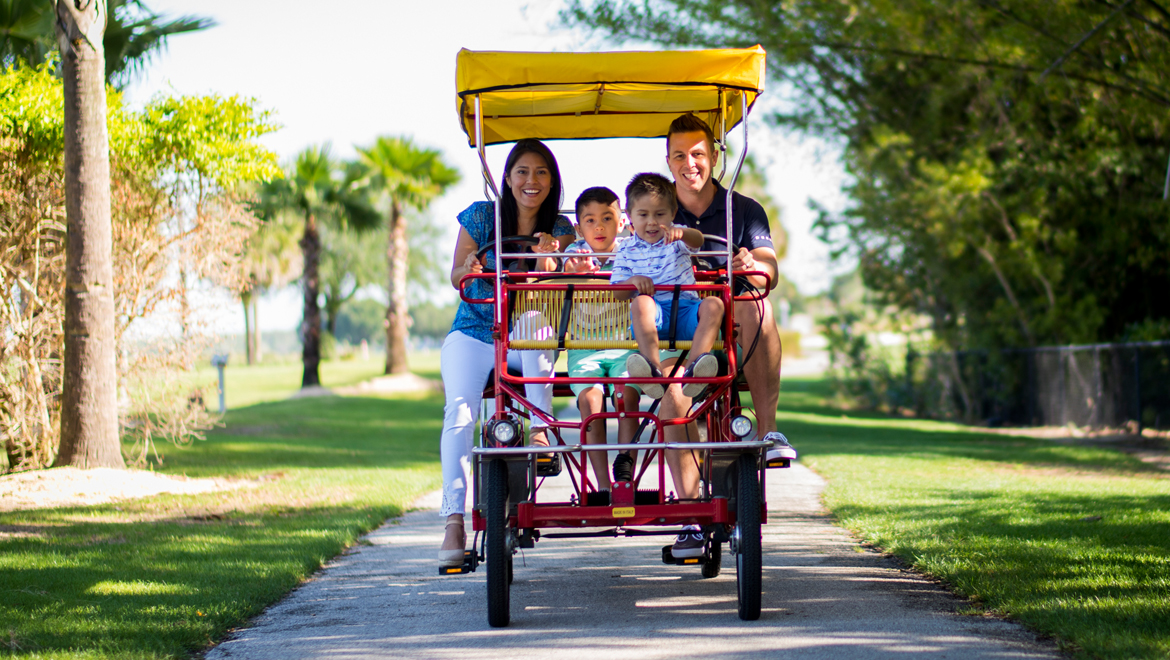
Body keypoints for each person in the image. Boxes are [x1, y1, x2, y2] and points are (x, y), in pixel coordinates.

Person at [438, 139, 575, 566]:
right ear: (508, 177)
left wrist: (550, 262)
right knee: (459, 410)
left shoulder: (562, 230)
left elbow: (559, 284)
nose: (531, 181)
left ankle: (539, 431)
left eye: (541, 173)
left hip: (525, 333)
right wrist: (469, 269)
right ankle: (454, 522)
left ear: (552, 181)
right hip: (477, 329)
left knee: (535, 324)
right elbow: (457, 272)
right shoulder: (482, 216)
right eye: (522, 171)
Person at [665, 113, 798, 467]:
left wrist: (751, 266)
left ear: (713, 158)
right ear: (668, 162)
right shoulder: (656, 213)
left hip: (731, 316)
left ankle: (768, 431)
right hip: (673, 315)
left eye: (697, 154)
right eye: (679, 155)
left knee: (759, 306)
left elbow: (769, 269)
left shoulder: (743, 209)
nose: (689, 164)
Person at [610, 173, 724, 559]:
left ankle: (696, 367)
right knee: (640, 304)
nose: (653, 222)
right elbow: (618, 286)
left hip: (686, 310)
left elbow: (698, 241)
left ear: (672, 215)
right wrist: (634, 282)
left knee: (714, 305)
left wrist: (682, 233)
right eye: (643, 214)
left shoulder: (677, 241)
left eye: (661, 214)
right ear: (629, 217)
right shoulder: (626, 250)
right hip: (656, 314)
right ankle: (654, 369)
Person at [561, 186, 641, 495]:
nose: (599, 226)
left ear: (621, 222)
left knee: (626, 396)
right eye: (590, 220)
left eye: (608, 218)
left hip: (625, 344)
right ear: (579, 227)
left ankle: (624, 475)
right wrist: (575, 276)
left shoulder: (631, 251)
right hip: (584, 347)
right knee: (591, 402)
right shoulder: (572, 255)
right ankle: (603, 486)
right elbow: (558, 287)